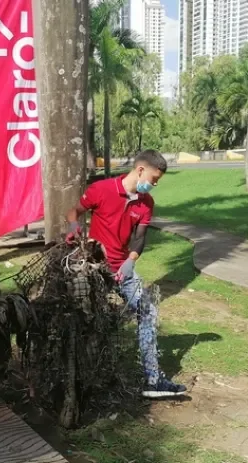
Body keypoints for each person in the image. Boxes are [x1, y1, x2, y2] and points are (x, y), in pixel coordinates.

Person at [65, 149, 187, 398]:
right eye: (154, 179)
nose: (154, 184)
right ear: (141, 170)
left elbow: (140, 239)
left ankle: (153, 380)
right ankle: (80, 376)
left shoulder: (146, 204)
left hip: (123, 270)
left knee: (147, 311)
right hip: (95, 267)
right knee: (88, 319)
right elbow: (74, 211)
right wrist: (73, 226)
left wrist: (130, 262)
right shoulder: (102, 190)